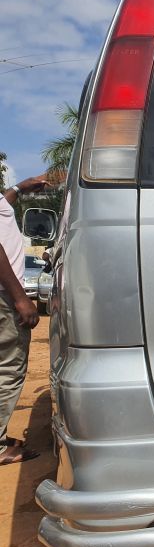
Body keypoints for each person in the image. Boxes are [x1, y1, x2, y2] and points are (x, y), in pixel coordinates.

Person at [0, 176, 46, 465]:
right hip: (5, 296)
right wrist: (19, 297)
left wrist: (19, 189)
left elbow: (4, 205)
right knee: (8, 370)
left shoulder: (3, 203)